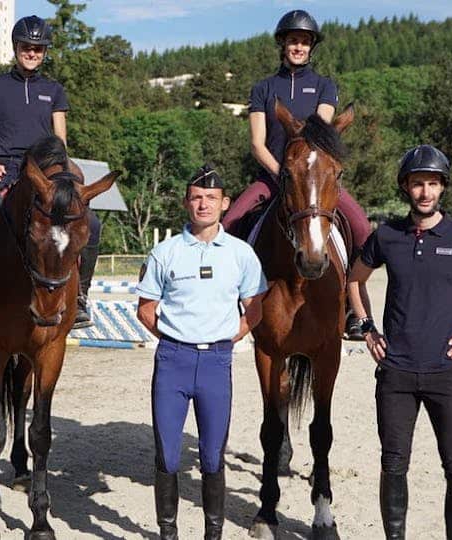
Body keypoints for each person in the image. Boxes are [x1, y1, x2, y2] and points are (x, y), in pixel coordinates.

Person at [347, 145, 452, 540]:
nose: (425, 192)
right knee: (394, 464)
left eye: (432, 184)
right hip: (395, 374)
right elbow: (354, 280)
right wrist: (367, 326)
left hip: (448, 374)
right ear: (405, 188)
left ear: (442, 187)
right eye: (417, 184)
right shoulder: (386, 236)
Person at [222, 9, 374, 339]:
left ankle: (353, 304)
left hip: (315, 178)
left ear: (311, 48)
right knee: (229, 223)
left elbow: (319, 133)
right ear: (283, 44)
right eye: (293, 41)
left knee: (362, 227)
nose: (299, 47)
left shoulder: (324, 87)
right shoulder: (263, 88)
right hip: (274, 173)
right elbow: (257, 143)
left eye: (304, 42)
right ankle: (229, 300)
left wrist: (302, 177)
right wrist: (283, 175)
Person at [136, 165, 268, 540]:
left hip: (216, 363)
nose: (203, 204)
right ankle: (168, 533)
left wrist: (230, 337)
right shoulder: (165, 252)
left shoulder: (241, 254)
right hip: (173, 362)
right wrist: (175, 337)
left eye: (211, 198)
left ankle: (213, 534)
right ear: (186, 203)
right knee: (169, 456)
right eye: (196, 197)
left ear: (225, 203)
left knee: (212, 456)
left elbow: (255, 308)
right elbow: (146, 309)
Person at [0, 14, 101, 329]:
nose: (32, 53)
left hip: (45, 174)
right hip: (6, 167)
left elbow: (60, 142)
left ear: (44, 52)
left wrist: (60, 178)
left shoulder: (54, 90)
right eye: (26, 47)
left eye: (38, 49)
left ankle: (80, 296)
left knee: (91, 224)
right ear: (16, 47)